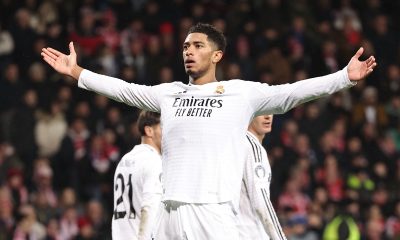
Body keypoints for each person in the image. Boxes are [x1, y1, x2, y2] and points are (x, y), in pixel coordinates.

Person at [41, 23, 376, 239]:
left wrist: (343, 78)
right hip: (169, 213)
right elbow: (123, 89)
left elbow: (289, 94)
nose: (189, 51)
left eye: (198, 46)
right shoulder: (169, 94)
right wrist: (77, 72)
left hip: (212, 212)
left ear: (217, 55)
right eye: (186, 46)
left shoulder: (240, 93)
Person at [112, 111, 162, 240]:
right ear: (149, 131)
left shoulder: (124, 160)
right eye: (163, 128)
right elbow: (150, 207)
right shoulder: (154, 161)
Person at [237, 114, 286, 240]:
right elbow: (261, 203)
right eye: (261, 112)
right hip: (250, 234)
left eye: (270, 111)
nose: (267, 117)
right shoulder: (252, 148)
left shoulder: (238, 144)